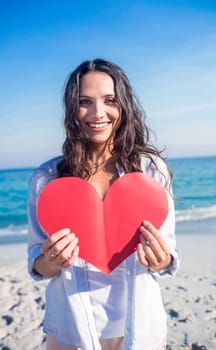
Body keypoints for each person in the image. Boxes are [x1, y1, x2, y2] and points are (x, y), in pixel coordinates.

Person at [27, 58, 180, 350]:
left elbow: (168, 255)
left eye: (109, 100)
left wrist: (160, 259)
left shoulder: (150, 172)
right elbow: (37, 263)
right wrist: (51, 260)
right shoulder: (46, 179)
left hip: (139, 327)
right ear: (72, 108)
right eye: (85, 101)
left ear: (123, 105)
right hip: (70, 326)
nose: (98, 113)